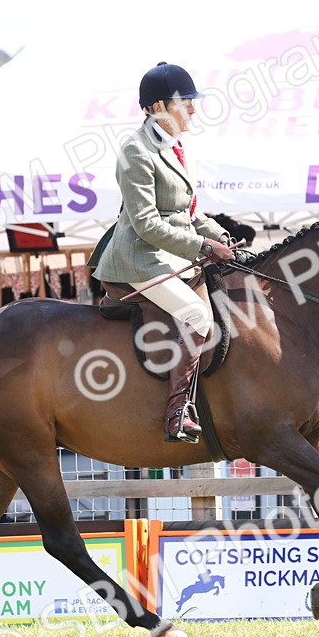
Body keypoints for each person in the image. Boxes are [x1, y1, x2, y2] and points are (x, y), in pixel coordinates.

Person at [88, 62, 236, 444]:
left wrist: (223, 237)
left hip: (173, 254)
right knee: (197, 314)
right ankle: (176, 414)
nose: (192, 109)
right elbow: (146, 223)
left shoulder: (175, 147)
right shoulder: (135, 150)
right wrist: (203, 246)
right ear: (157, 107)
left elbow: (187, 210)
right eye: (185, 102)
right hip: (139, 257)